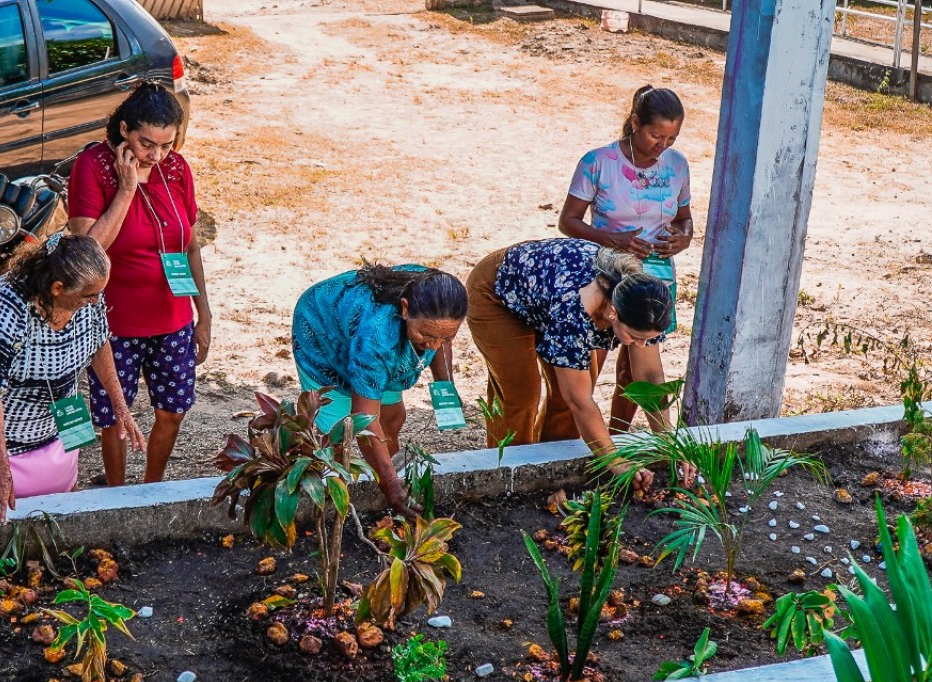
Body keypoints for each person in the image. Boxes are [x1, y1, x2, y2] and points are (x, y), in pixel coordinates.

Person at [0, 233, 145, 526]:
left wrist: (121, 407)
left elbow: (99, 343)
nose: (97, 301)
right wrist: (0, 469)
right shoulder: (11, 303)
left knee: (63, 494)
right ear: (58, 288)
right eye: (89, 295)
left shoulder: (89, 294)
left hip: (57, 409)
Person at [67, 81, 209, 487]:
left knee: (173, 409)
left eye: (166, 144)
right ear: (125, 129)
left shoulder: (177, 169)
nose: (156, 155)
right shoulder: (92, 166)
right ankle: (115, 490)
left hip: (173, 316)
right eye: (147, 143)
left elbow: (191, 247)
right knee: (113, 413)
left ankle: (151, 486)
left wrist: (205, 313)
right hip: (114, 323)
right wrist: (127, 189)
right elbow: (86, 250)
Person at [464, 239, 673, 493]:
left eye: (648, 339)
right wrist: (615, 462)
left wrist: (669, 446)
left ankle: (552, 474)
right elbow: (580, 401)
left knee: (575, 388)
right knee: (521, 393)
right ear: (613, 313)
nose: (641, 346)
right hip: (499, 292)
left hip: (546, 294)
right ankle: (510, 480)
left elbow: (650, 377)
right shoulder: (575, 309)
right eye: (635, 338)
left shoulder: (644, 301)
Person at [558, 85, 692, 433]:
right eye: (655, 136)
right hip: (606, 275)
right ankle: (581, 440)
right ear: (635, 123)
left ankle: (618, 436)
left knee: (637, 368)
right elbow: (568, 221)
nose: (662, 146)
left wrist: (684, 237)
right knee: (591, 360)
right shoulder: (598, 162)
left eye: (671, 139)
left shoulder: (677, 165)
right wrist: (611, 238)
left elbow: (684, 218)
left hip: (656, 278)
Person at [292, 263, 468, 517]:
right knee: (332, 436)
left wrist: (446, 391)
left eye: (447, 337)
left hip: (374, 342)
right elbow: (363, 420)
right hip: (321, 329)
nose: (434, 345)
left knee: (393, 418)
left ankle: (386, 469)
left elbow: (437, 340)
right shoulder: (377, 338)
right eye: (427, 335)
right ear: (406, 309)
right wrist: (388, 484)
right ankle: (312, 491)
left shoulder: (436, 297)